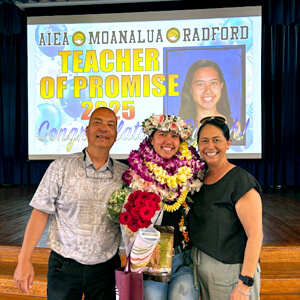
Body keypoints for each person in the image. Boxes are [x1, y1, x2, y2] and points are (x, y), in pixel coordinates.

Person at [13, 107, 128, 300]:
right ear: (87, 130)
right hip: (64, 267)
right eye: (97, 122)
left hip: (106, 269)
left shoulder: (124, 176)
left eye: (111, 125)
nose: (104, 129)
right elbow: (40, 212)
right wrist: (24, 259)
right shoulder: (61, 167)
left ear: (116, 135)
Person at [121, 113, 205, 300]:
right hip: (154, 257)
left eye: (174, 135)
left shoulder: (193, 172)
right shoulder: (137, 172)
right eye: (162, 134)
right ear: (151, 139)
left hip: (185, 259)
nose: (169, 140)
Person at [189, 116, 263, 300]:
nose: (210, 146)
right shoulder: (199, 179)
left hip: (232, 277)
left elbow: (256, 236)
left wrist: (244, 284)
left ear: (228, 143)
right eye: (204, 141)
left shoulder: (239, 180)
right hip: (205, 274)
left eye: (216, 140)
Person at [178, 59, 241, 139]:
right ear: (190, 89)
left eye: (213, 83)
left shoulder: (237, 128)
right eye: (200, 84)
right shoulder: (179, 129)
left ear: (221, 86)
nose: (208, 90)